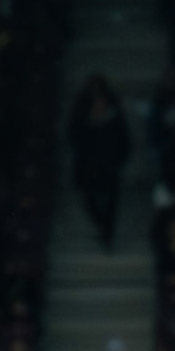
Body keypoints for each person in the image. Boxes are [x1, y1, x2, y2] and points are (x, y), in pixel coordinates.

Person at [68, 76, 132, 248]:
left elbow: (125, 142)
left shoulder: (114, 120)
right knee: (89, 201)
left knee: (111, 203)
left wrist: (118, 161)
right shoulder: (83, 120)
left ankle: (107, 233)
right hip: (88, 168)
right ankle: (102, 227)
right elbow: (74, 139)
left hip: (109, 168)